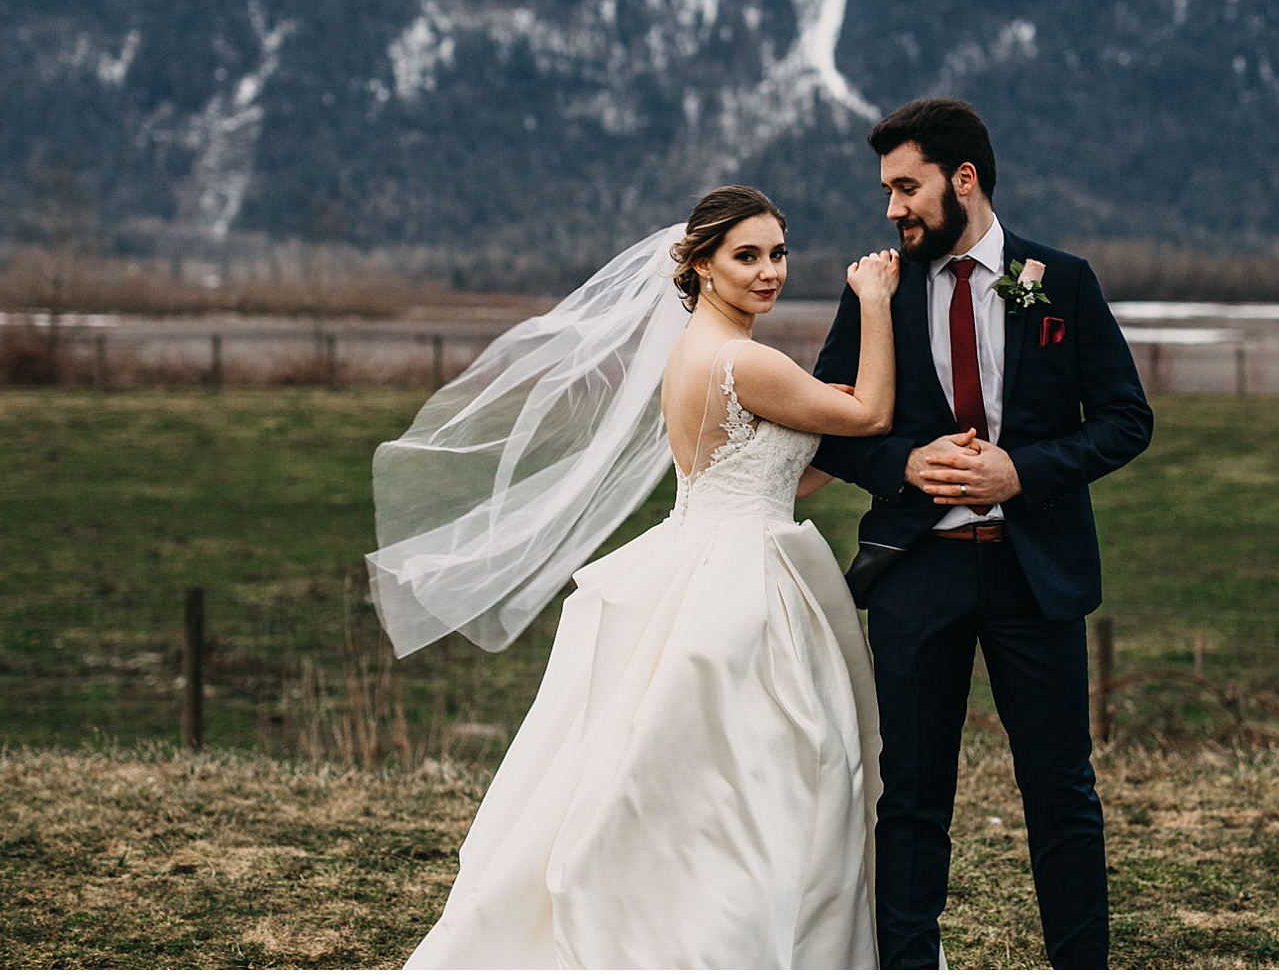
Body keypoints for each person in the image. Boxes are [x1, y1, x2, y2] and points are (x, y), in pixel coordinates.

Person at [368, 185, 902, 968]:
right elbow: (870, 415)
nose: (768, 272)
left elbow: (771, 470)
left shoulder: (691, 353)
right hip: (742, 582)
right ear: (701, 265)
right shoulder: (743, 360)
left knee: (698, 780)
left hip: (700, 552)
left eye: (777, 254)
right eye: (746, 256)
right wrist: (877, 300)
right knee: (765, 775)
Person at [811, 97, 1153, 969]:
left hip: (1034, 574)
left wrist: (1022, 471)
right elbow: (829, 429)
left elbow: (1125, 419)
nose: (892, 208)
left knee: (1061, 791)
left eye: (906, 186)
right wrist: (901, 466)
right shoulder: (877, 291)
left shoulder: (1062, 281)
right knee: (913, 800)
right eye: (887, 190)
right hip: (915, 573)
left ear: (963, 179)